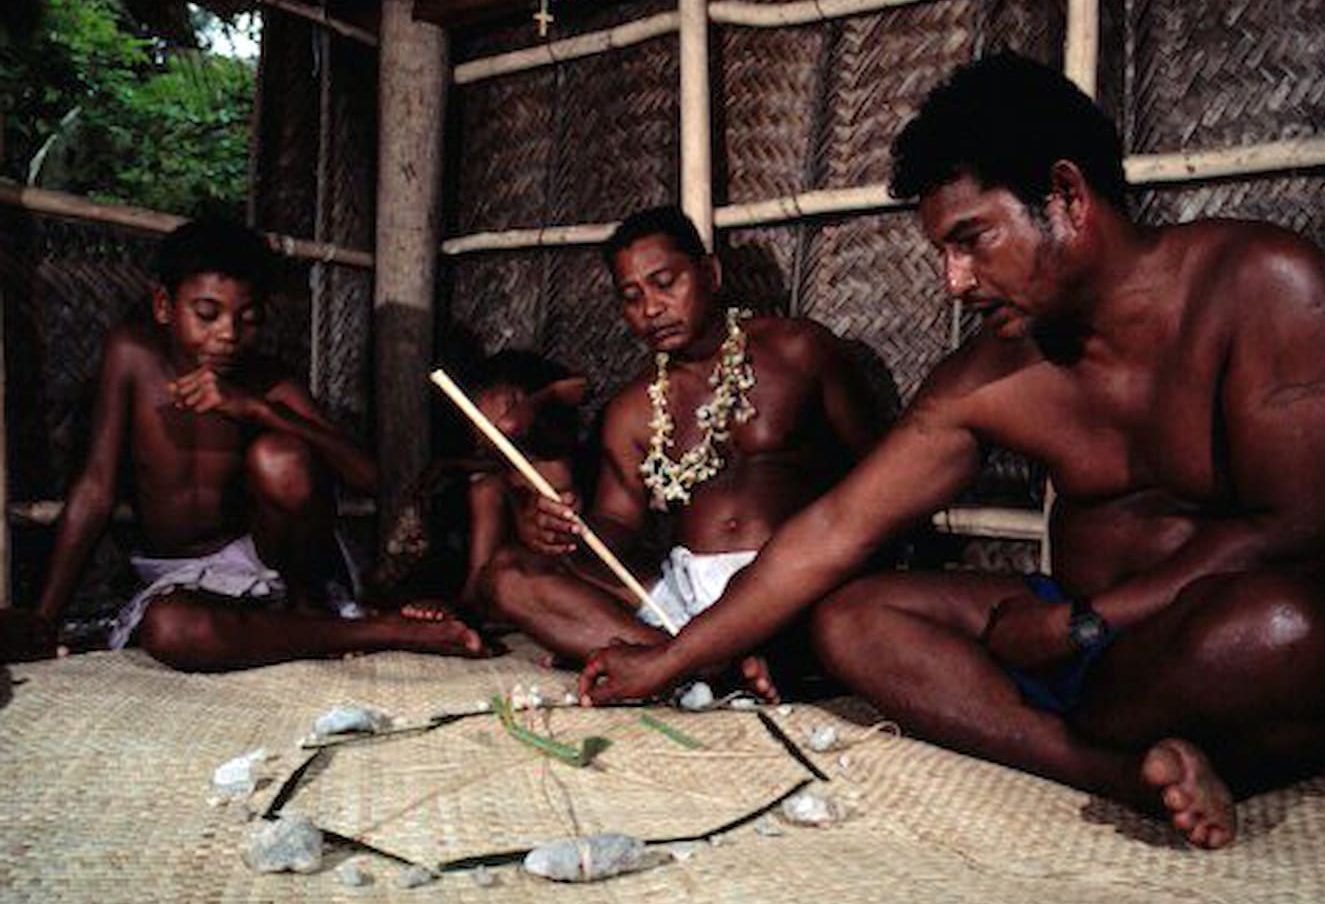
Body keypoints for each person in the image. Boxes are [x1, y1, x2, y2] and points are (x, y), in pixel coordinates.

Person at [577, 53, 1325, 850]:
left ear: (1067, 196)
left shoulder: (1264, 286)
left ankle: (1085, 728)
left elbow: (1299, 534)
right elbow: (832, 534)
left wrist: (1084, 626)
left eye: (972, 240)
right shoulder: (990, 376)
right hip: (1074, 638)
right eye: (944, 253)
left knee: (1279, 632)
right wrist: (671, 661)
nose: (954, 283)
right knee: (852, 618)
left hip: (1198, 637)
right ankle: (1113, 770)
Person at [2, 217, 481, 669]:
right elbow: (96, 487)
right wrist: (46, 618)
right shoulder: (133, 357)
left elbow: (370, 478)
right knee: (169, 629)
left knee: (279, 458)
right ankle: (358, 630)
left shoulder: (267, 381)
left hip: (276, 571)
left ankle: (317, 615)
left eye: (247, 318)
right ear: (164, 306)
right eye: (207, 314)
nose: (228, 334)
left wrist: (256, 409)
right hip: (180, 578)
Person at [485, 205, 879, 683]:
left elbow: (878, 474)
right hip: (683, 594)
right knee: (508, 575)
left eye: (665, 282)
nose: (650, 309)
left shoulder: (799, 352)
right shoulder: (633, 407)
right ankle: (708, 664)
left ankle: (680, 661)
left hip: (790, 588)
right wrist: (567, 532)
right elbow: (616, 525)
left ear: (709, 274)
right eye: (631, 297)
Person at [396, 349, 587, 625]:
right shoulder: (501, 471)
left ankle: (477, 604)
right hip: (516, 572)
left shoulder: (553, 460)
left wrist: (543, 398)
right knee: (484, 490)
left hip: (565, 575)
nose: (477, 425)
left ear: (515, 399)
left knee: (486, 489)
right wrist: (455, 466)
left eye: (481, 405)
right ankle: (472, 601)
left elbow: (510, 425)